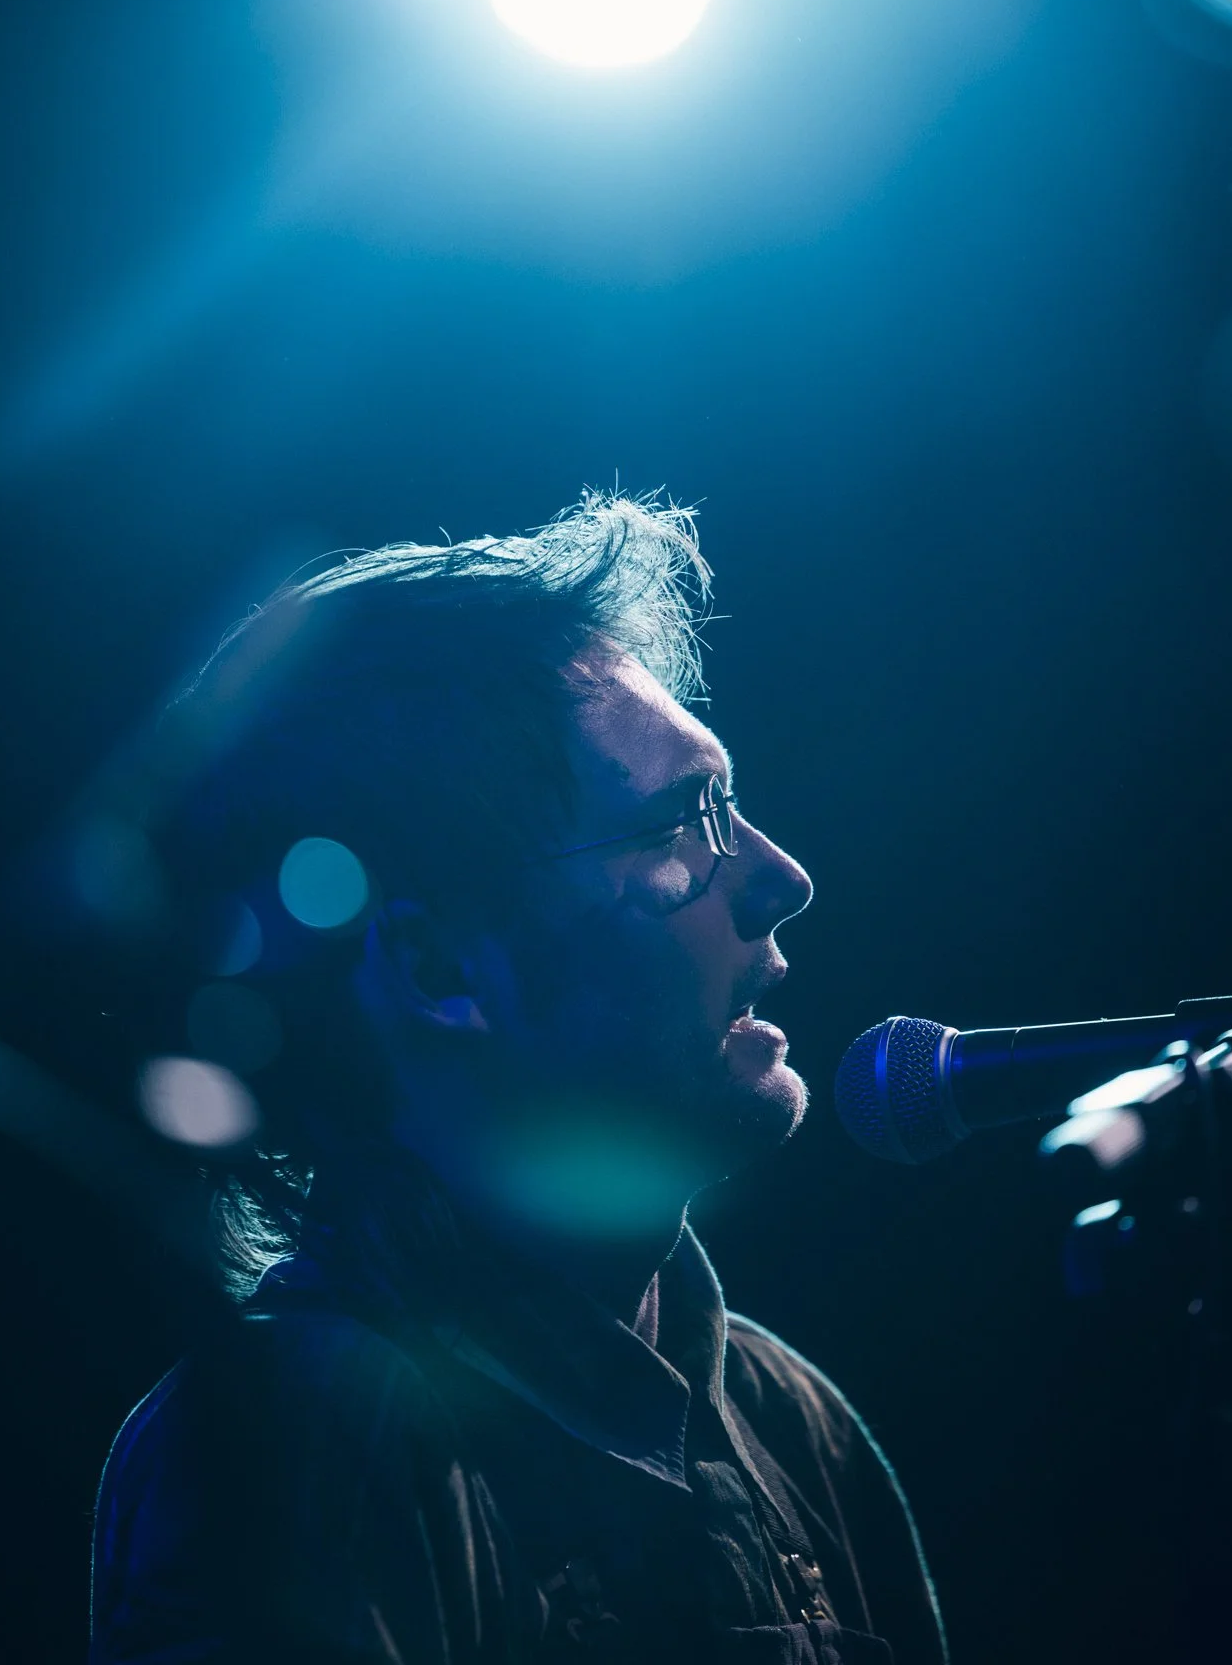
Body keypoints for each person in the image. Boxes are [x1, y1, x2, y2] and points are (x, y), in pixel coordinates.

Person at [90, 493, 947, 1665]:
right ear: (440, 962)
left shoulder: (793, 1418)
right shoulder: (304, 1432)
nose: (778, 874)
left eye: (729, 801)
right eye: (677, 823)